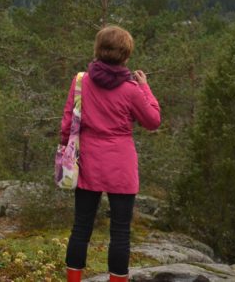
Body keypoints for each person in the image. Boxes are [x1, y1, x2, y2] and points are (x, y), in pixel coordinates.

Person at [61, 25, 161, 282]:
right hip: (121, 165)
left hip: (88, 162)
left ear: (98, 49)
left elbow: (67, 122)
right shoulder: (131, 89)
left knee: (81, 228)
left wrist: (67, 153)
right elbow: (153, 121)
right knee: (120, 232)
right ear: (125, 55)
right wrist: (145, 88)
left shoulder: (80, 80)